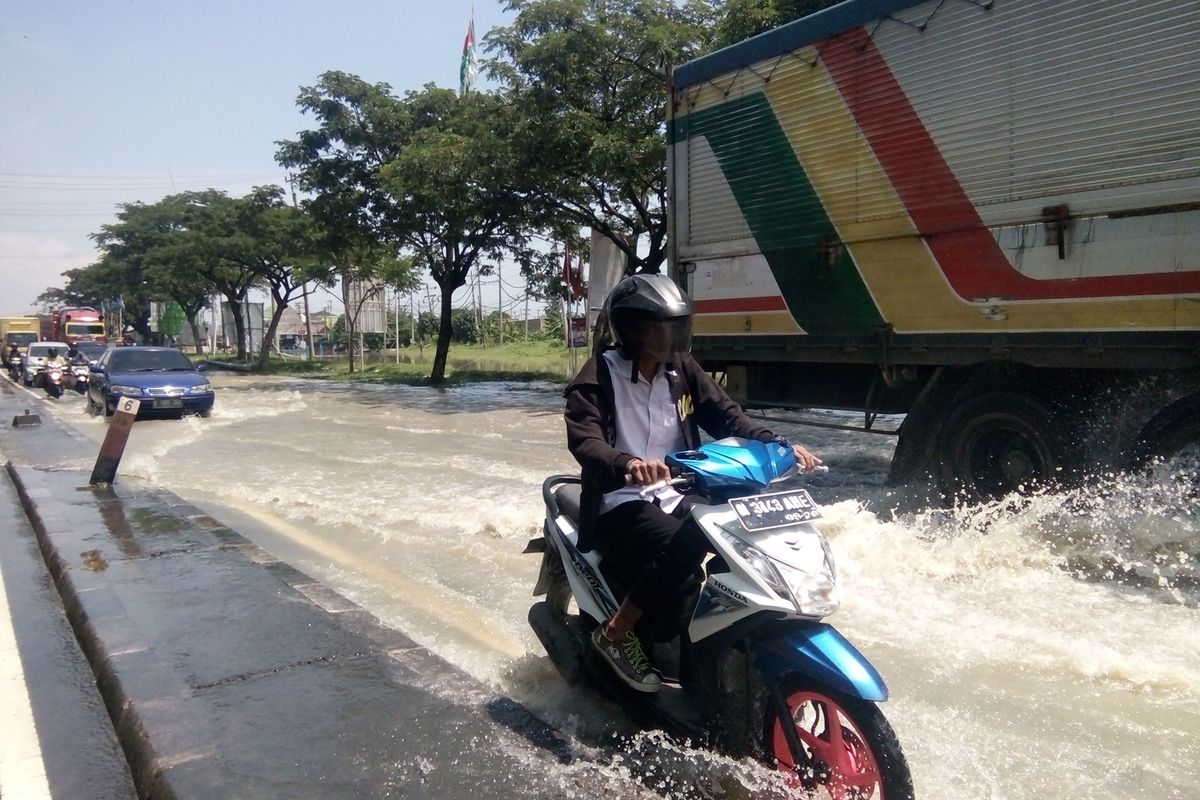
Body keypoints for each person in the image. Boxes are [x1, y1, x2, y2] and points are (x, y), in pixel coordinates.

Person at [563, 274, 821, 692]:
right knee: (685, 543)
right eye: (662, 327)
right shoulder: (597, 377)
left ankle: (729, 645)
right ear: (631, 330)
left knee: (743, 541)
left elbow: (727, 415)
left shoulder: (681, 370)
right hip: (620, 497)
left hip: (680, 488)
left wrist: (776, 443)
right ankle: (615, 633)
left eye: (677, 325)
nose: (673, 336)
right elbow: (586, 442)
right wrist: (627, 464)